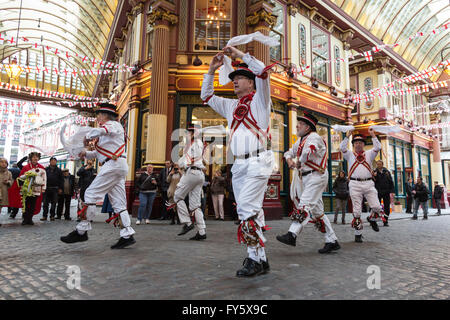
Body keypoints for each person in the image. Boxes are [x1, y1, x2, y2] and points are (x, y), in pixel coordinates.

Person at [201, 45, 274, 277]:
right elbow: (207, 96)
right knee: (254, 211)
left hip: (258, 162)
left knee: (245, 209)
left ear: (251, 83)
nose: (235, 81)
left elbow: (263, 71)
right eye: (234, 78)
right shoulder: (231, 105)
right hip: (239, 165)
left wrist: (240, 56)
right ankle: (262, 260)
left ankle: (253, 258)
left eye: (240, 78)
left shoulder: (261, 100)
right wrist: (211, 70)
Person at [60, 103, 136, 249]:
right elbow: (98, 154)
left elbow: (99, 131)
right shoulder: (107, 132)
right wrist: (85, 153)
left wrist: (86, 136)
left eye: (99, 115)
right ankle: (127, 234)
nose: (97, 117)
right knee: (119, 202)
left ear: (105, 115)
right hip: (115, 165)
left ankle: (81, 231)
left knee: (90, 194)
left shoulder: (113, 125)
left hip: (113, 166)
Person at [276, 113, 339, 254]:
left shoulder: (314, 138)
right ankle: (332, 240)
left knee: (304, 204)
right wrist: (288, 160)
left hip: (316, 176)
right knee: (318, 212)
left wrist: (298, 161)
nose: (297, 125)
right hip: (306, 178)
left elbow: (307, 152)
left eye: (300, 124)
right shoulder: (301, 140)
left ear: (308, 127)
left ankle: (292, 234)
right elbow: (288, 152)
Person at [339, 129, 384, 243]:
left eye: (360, 142)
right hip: (354, 184)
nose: (358, 144)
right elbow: (342, 148)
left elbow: (378, 147)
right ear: (353, 145)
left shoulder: (369, 154)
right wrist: (346, 136)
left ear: (364, 144)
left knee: (377, 207)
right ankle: (358, 234)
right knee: (357, 211)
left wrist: (373, 135)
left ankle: (372, 218)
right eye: (356, 143)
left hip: (368, 183)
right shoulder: (349, 154)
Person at [173, 123, 207, 241]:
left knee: (177, 196)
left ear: (192, 133)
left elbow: (188, 160)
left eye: (188, 133)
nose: (186, 135)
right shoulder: (196, 144)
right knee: (195, 205)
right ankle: (202, 231)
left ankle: (187, 223)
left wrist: (182, 163)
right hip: (199, 175)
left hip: (192, 173)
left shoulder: (194, 144)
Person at [9, 152, 46, 226]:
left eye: (37, 157)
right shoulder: (26, 167)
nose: (35, 158)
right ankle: (25, 219)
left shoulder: (41, 168)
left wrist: (44, 188)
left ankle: (30, 219)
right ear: (30, 158)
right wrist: (27, 175)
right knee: (26, 204)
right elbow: (21, 177)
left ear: (38, 158)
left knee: (33, 204)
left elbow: (44, 179)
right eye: (33, 157)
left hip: (36, 188)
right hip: (27, 188)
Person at [41, 157, 64, 221]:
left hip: (55, 189)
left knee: (54, 203)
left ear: (56, 162)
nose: (53, 162)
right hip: (47, 188)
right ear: (50, 162)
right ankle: (44, 216)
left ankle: (52, 216)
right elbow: (43, 179)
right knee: (45, 203)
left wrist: (60, 188)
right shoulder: (46, 169)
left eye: (54, 161)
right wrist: (42, 187)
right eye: (52, 161)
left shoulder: (59, 170)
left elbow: (61, 180)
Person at [373, 160, 395, 226]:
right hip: (378, 192)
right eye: (377, 164)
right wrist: (374, 176)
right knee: (376, 207)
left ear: (382, 164)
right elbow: (373, 182)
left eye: (380, 164)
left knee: (387, 207)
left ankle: (385, 221)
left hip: (386, 192)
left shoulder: (387, 172)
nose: (379, 165)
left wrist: (392, 191)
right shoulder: (374, 172)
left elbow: (391, 182)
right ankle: (374, 221)